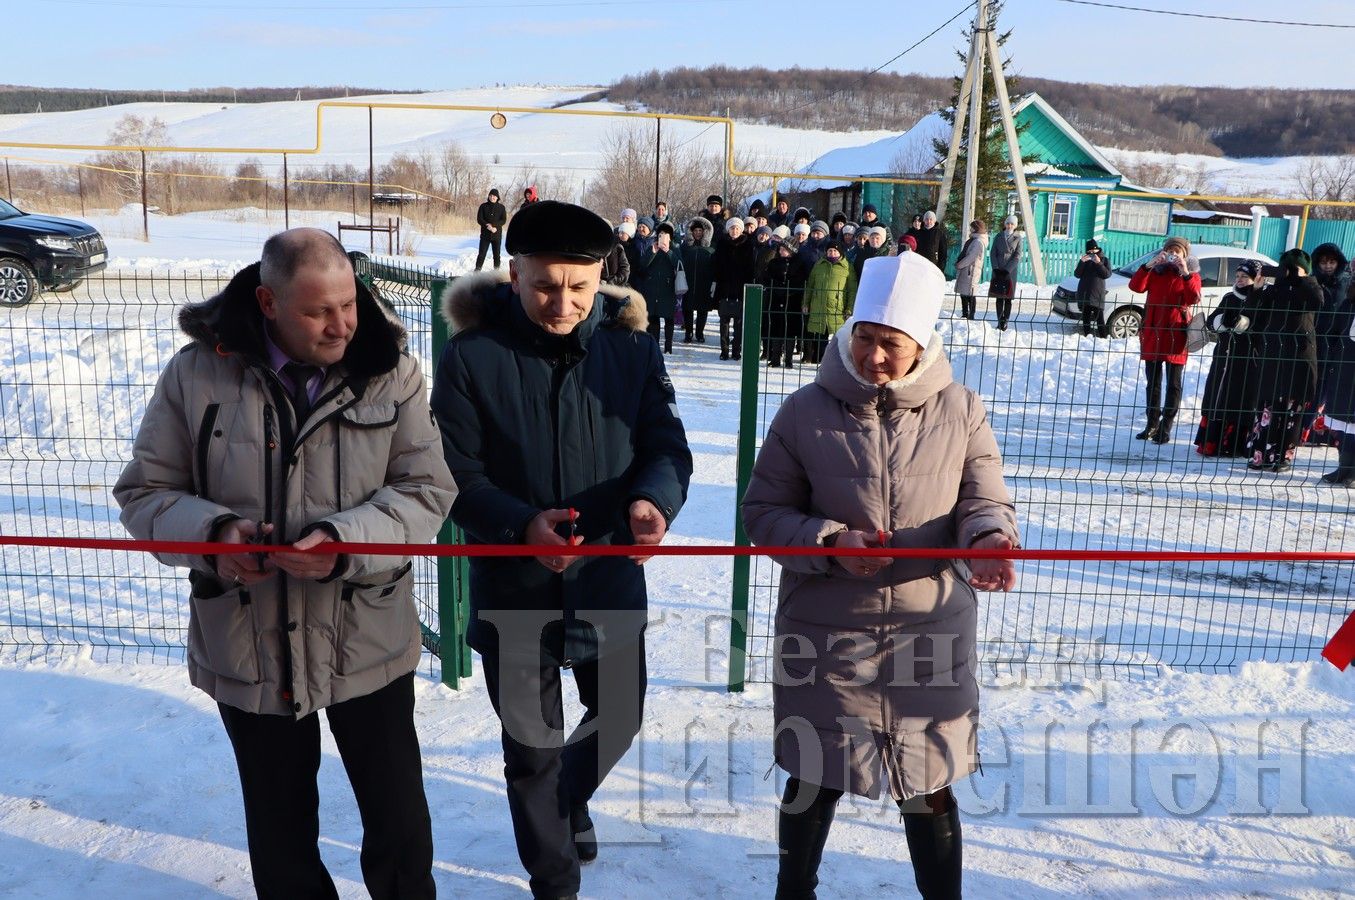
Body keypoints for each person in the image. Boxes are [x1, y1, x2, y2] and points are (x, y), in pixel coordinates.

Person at [114, 227, 457, 899]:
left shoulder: (392, 369)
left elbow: (427, 492)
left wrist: (344, 541)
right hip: (247, 641)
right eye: (318, 312)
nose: (341, 326)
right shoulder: (197, 372)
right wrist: (216, 537)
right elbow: (145, 493)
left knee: (398, 822)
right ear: (268, 303)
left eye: (348, 305)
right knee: (278, 831)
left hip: (367, 636)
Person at [430, 200, 692, 900]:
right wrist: (519, 527)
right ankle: (554, 880)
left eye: (579, 286)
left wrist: (651, 503)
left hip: (606, 577)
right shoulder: (471, 358)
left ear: (600, 277)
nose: (563, 302)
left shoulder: (631, 351)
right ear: (513, 275)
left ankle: (569, 801)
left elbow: (665, 447)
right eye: (545, 285)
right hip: (513, 589)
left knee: (619, 717)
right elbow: (451, 473)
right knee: (531, 751)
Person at [742, 252, 1019, 900]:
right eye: (864, 339)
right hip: (828, 630)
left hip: (930, 627)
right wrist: (832, 543)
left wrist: (987, 541)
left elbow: (984, 500)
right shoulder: (804, 410)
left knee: (926, 781)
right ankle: (794, 892)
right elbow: (762, 512)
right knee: (814, 772)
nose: (873, 357)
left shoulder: (961, 410)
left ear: (920, 344)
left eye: (889, 344)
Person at [1243, 248, 1322, 471]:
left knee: (1292, 411)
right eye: (1285, 268)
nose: (1288, 273)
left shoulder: (1310, 289)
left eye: (1293, 269)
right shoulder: (1273, 291)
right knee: (1267, 408)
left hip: (1299, 359)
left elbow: (1318, 301)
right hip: (1273, 356)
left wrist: (1303, 278)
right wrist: (1256, 290)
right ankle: (1260, 455)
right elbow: (1253, 313)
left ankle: (1282, 457)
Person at [1128, 236, 1202, 444]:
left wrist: (1185, 273)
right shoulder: (1156, 271)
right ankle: (1151, 423)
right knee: (1153, 383)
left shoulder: (1191, 274)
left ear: (1185, 255)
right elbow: (1136, 286)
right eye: (1170, 250)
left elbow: (1194, 297)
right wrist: (1150, 265)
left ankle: (1165, 427)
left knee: (1173, 384)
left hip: (1176, 333)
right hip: (1153, 331)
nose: (1173, 255)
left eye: (1177, 252)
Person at [1194, 260, 1265, 457]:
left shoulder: (1261, 298)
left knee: (1239, 398)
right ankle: (1211, 442)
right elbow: (1212, 321)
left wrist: (1241, 323)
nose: (1240, 280)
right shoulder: (1229, 297)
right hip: (1224, 355)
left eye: (1245, 277)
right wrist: (1221, 322)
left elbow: (1259, 324)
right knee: (1217, 396)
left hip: (1247, 358)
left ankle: (1234, 444)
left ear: (1255, 278)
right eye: (1238, 276)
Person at [1309, 242, 1350, 442]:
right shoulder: (1311, 282)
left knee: (1332, 391)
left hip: (1339, 345)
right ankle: (1307, 430)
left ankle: (1325, 434)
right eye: (1323, 262)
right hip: (1314, 342)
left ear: (1338, 263)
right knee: (1314, 388)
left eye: (1332, 262)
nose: (1327, 266)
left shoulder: (1346, 283)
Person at [1319, 276, 1355, 485]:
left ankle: (1352, 472)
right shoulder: (1348, 303)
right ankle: (1343, 468)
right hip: (1345, 369)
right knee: (1345, 423)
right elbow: (1333, 333)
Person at [802, 238, 858, 364]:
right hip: (818, 306)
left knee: (836, 337)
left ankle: (834, 362)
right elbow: (810, 285)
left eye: (835, 251)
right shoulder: (819, 265)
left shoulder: (847, 267)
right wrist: (805, 303)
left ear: (840, 253)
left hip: (837, 307)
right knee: (820, 334)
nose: (832, 253)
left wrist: (849, 308)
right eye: (829, 251)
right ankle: (819, 360)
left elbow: (852, 290)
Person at [713, 216, 757, 360]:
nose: (735, 231)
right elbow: (716, 266)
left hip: (740, 289)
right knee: (724, 322)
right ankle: (724, 350)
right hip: (724, 288)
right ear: (728, 230)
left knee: (738, 324)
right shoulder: (722, 243)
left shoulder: (748, 244)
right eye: (732, 228)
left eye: (737, 228)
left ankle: (736, 350)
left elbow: (750, 268)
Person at [762, 238, 807, 368]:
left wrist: (789, 290)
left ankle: (788, 359)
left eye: (784, 249)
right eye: (780, 249)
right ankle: (775, 358)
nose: (781, 251)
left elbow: (801, 281)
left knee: (790, 331)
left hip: (792, 300)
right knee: (776, 329)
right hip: (776, 299)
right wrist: (777, 289)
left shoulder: (799, 263)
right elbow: (768, 278)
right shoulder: (774, 263)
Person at [636, 221, 681, 354]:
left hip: (668, 288)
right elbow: (643, 265)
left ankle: (668, 346)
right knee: (654, 317)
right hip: (652, 288)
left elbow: (679, 264)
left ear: (670, 237)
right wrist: (653, 252)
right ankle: (655, 345)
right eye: (660, 234)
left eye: (666, 234)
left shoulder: (675, 248)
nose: (663, 236)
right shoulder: (652, 247)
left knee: (669, 318)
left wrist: (669, 252)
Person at [681, 216, 716, 343]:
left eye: (700, 231)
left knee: (703, 310)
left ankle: (700, 333)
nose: (697, 233)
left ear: (705, 232)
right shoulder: (685, 247)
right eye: (695, 231)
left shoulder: (711, 248)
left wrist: (713, 281)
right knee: (687, 309)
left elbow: (714, 265)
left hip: (704, 283)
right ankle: (688, 333)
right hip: (688, 282)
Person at [988, 215, 1022, 330]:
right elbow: (993, 253)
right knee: (999, 297)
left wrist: (1008, 270)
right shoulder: (998, 236)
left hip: (1010, 272)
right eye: (1008, 223)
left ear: (1015, 225)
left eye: (1012, 224)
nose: (1009, 226)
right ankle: (999, 320)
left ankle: (1005, 321)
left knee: (1008, 297)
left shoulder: (1018, 238)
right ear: (1005, 224)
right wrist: (996, 268)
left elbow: (1017, 256)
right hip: (998, 270)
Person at [1074, 239, 1112, 336]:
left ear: (1097, 250)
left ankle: (1103, 337)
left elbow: (1107, 274)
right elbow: (1077, 274)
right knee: (1085, 318)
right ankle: (1087, 336)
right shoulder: (1085, 261)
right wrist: (1081, 262)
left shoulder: (1104, 260)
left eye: (1093, 251)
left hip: (1097, 294)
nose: (1092, 253)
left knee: (1099, 318)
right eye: (1089, 251)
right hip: (1085, 293)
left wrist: (1098, 263)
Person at [953, 219, 988, 320]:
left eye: (972, 227)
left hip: (971, 270)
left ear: (976, 229)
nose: (970, 229)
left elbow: (971, 257)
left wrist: (960, 264)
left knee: (970, 293)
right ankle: (965, 313)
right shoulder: (973, 240)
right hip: (967, 270)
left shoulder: (978, 242)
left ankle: (971, 314)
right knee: (964, 292)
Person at [476, 187, 508, 271]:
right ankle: (477, 272)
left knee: (496, 255)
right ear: (488, 196)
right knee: (481, 254)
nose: (492, 197)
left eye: (494, 196)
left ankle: (496, 273)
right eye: (490, 195)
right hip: (485, 235)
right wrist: (487, 225)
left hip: (496, 235)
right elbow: (479, 219)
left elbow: (503, 220)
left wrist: (494, 226)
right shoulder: (483, 206)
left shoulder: (501, 207)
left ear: (497, 197)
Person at [602, 223, 632, 288]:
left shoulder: (617, 247)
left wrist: (612, 281)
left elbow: (625, 269)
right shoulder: (593, 248)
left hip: (614, 288)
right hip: (598, 287)